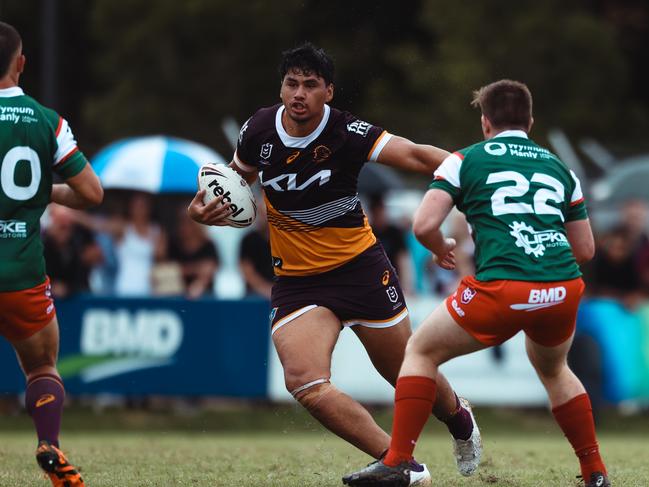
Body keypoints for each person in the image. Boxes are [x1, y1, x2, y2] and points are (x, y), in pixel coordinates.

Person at [189, 42, 481, 485]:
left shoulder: (349, 132)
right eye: (291, 84)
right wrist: (203, 209)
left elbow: (420, 156)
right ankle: (398, 461)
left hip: (359, 269)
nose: (299, 94)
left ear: (328, 91)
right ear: (281, 88)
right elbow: (233, 182)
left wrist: (482, 175)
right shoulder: (258, 130)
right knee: (304, 382)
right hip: (298, 281)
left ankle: (460, 420)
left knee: (404, 371)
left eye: (310, 85)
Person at [343, 80, 610, 487]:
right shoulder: (560, 168)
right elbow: (586, 249)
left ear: (486, 123)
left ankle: (399, 461)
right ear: (531, 121)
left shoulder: (464, 159)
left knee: (419, 351)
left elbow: (423, 224)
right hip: (562, 288)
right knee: (555, 370)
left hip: (501, 287)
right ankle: (595, 473)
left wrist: (440, 247)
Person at [0, 21, 103, 487]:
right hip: (21, 272)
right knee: (41, 366)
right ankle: (49, 446)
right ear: (21, 63)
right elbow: (91, 194)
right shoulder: (47, 121)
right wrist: (48, 191)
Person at [166, 205, 219, 298]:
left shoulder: (208, 245)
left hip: (205, 295)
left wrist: (198, 283)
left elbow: (210, 269)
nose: (184, 226)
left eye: (188, 222)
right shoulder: (174, 244)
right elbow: (170, 269)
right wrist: (196, 269)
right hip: (176, 294)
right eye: (181, 221)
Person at [238, 196, 274, 298]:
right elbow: (247, 270)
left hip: (281, 291)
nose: (265, 218)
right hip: (254, 295)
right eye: (262, 214)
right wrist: (265, 289)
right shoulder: (248, 239)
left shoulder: (284, 239)